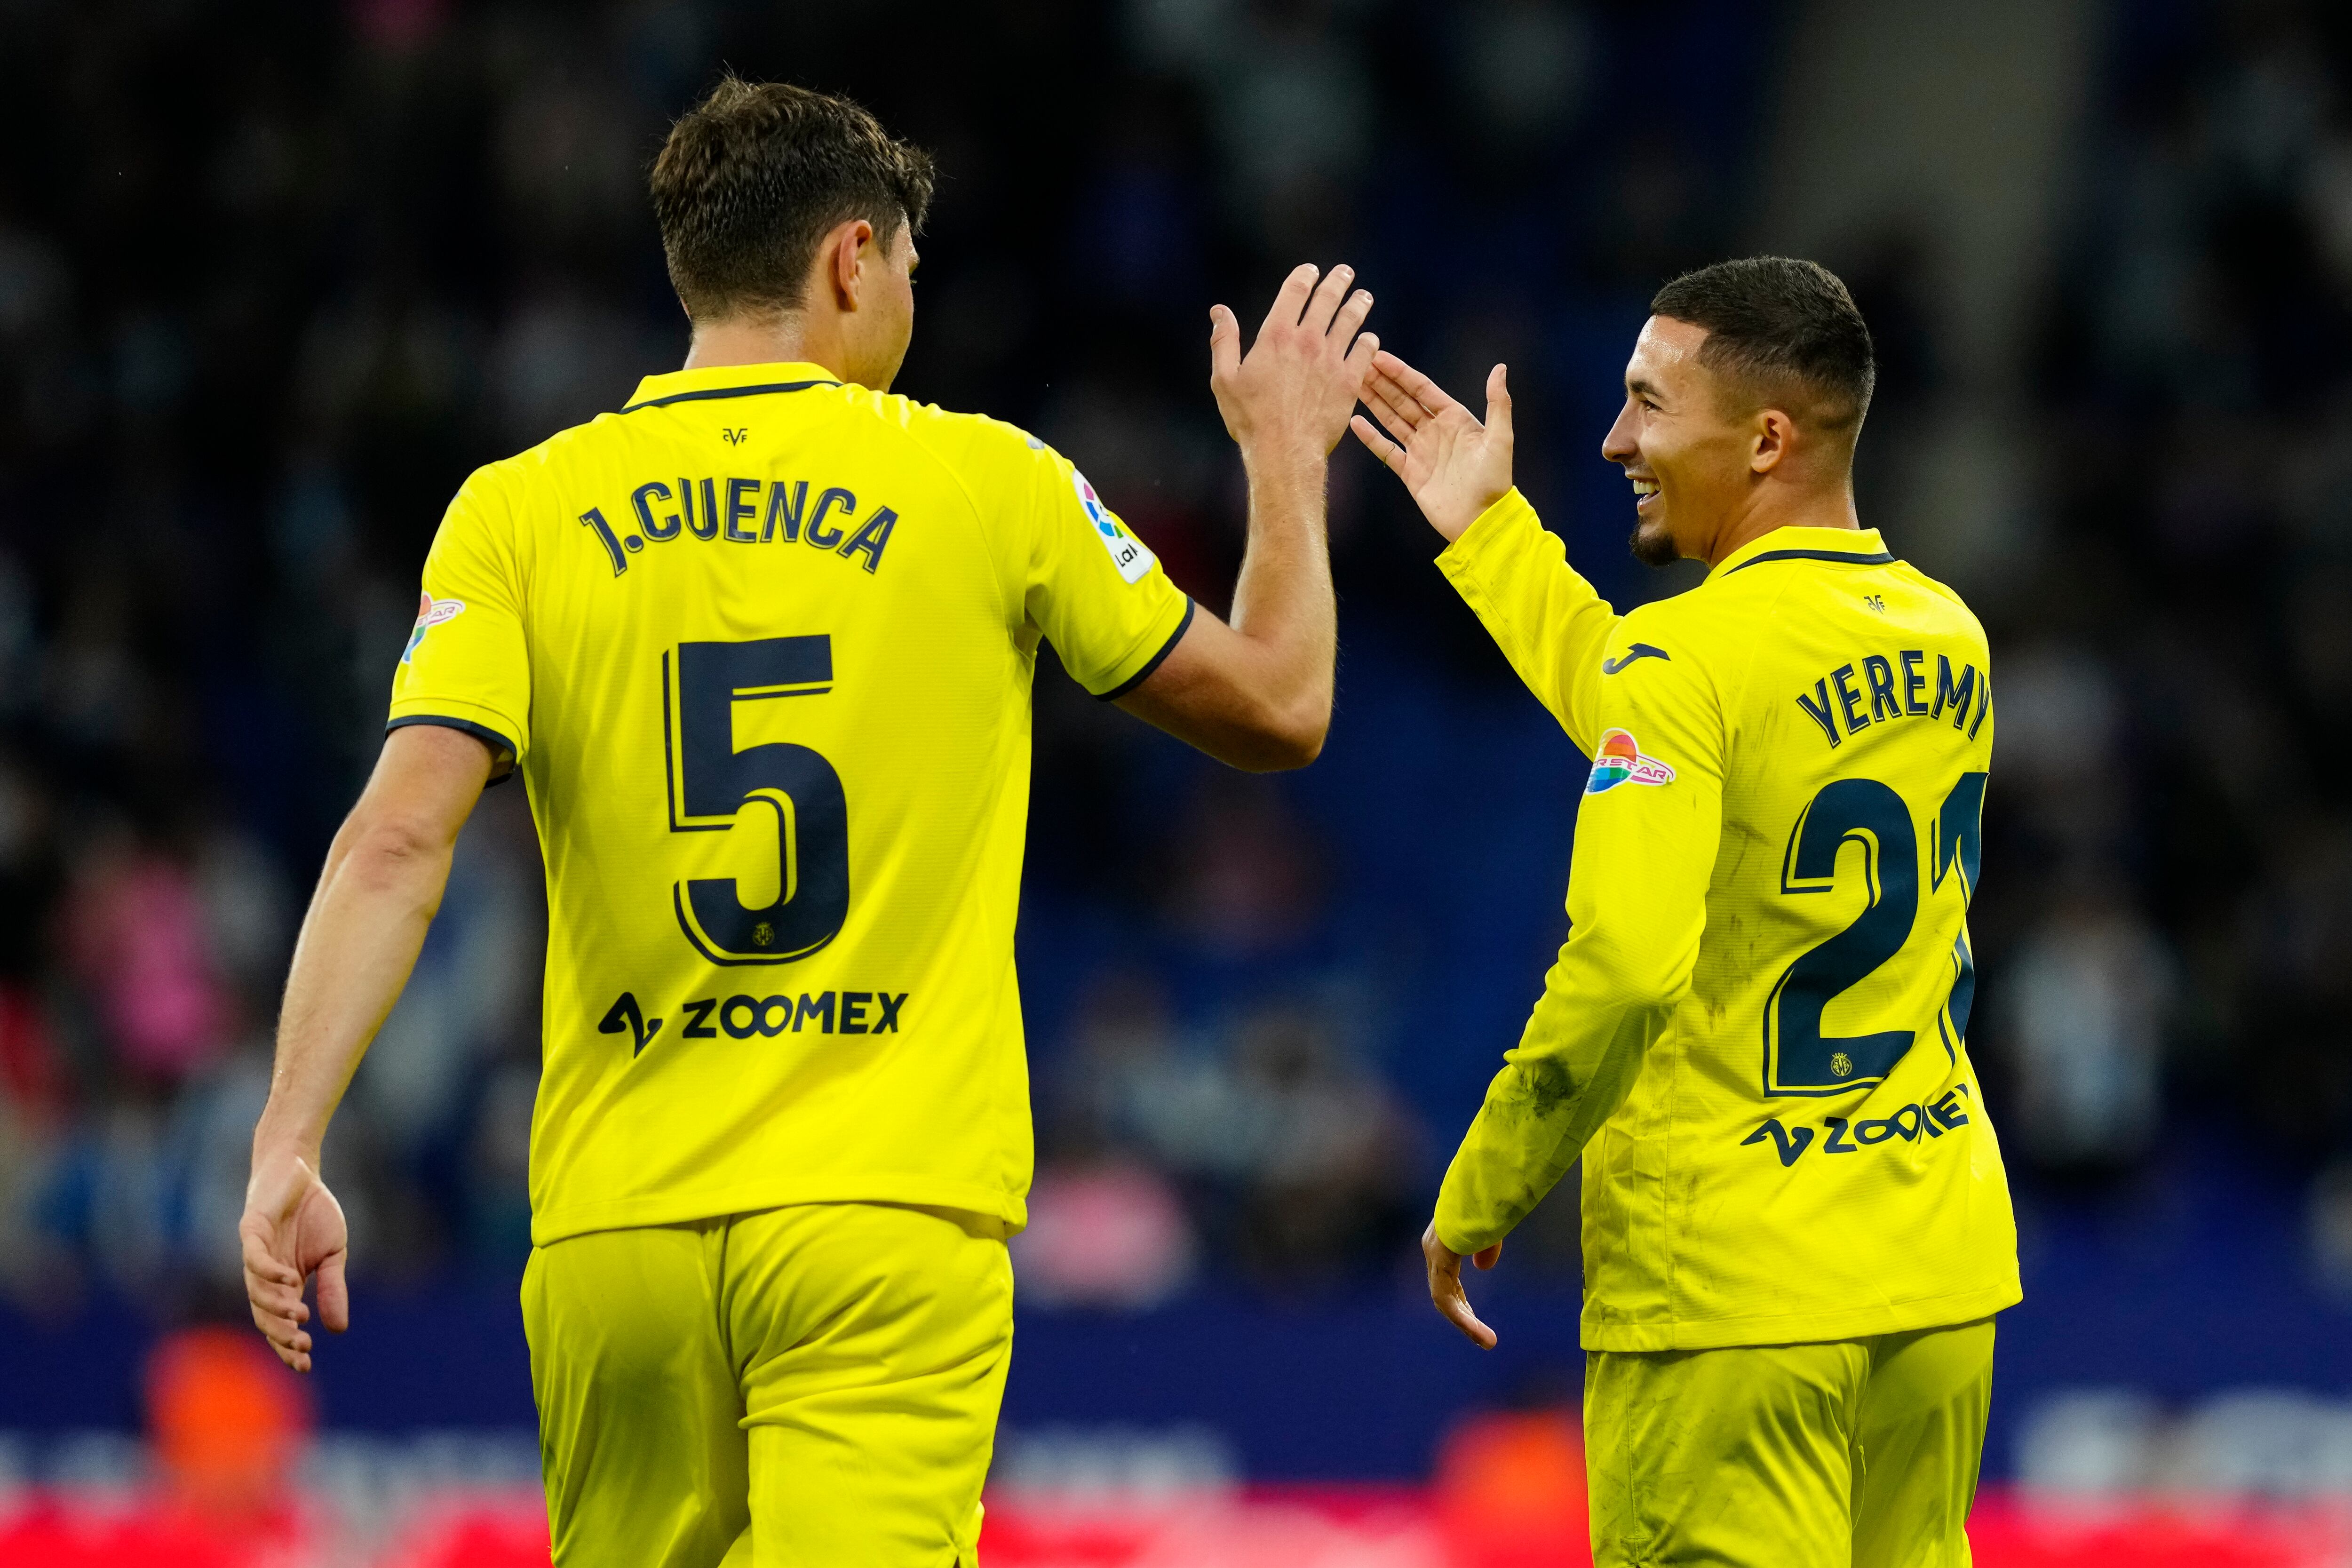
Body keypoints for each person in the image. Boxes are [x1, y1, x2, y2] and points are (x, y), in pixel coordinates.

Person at [238, 77, 1376, 1568]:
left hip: (616, 1235)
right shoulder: (991, 482)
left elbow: (393, 841)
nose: (911, 295)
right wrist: (1287, 465)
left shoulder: (515, 513)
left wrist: (288, 1140)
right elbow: (1281, 706)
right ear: (852, 259)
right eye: (908, 264)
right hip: (881, 1225)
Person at [1353, 257, 2018, 1567]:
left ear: (1765, 437)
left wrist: (1484, 1190)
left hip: (1732, 1296)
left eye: (1648, 404)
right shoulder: (1948, 634)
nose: (1613, 442)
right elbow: (1666, 708)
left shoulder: (1688, 656)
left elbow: (1624, 970)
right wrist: (1490, 537)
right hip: (1934, 1277)